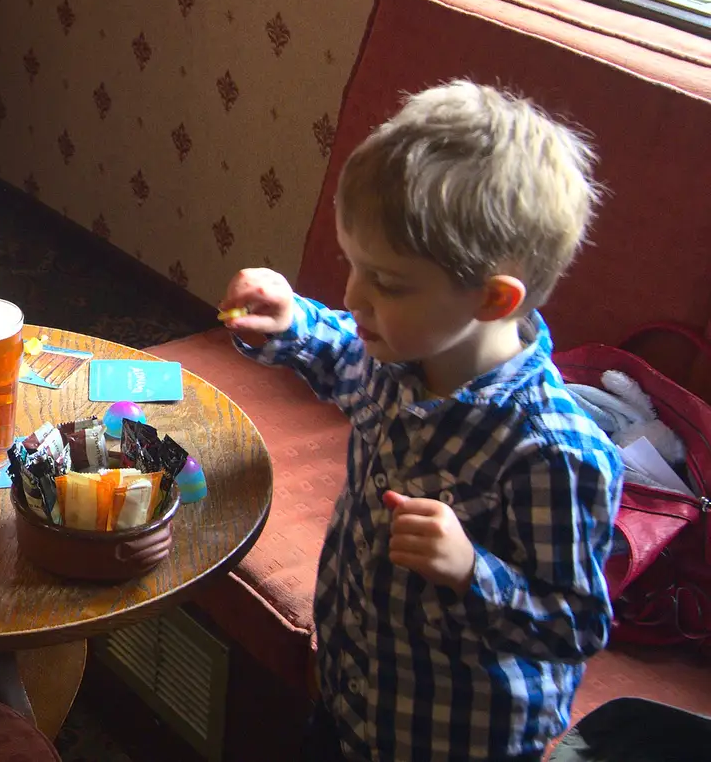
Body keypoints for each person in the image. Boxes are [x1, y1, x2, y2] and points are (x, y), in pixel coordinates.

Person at [218, 81, 623, 762]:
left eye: (388, 282)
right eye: (354, 266)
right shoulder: (400, 354)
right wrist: (290, 323)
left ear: (494, 299)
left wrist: (471, 569)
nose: (352, 296)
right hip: (356, 699)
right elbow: (345, 352)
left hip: (457, 740)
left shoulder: (555, 453)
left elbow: (573, 626)